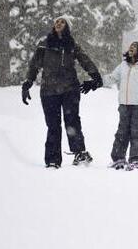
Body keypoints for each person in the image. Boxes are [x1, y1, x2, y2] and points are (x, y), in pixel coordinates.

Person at [21, 15, 101, 168]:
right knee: (53, 125)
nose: (58, 23)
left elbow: (85, 59)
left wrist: (95, 76)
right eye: (57, 21)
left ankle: (79, 153)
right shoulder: (44, 44)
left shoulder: (71, 45)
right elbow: (34, 65)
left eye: (62, 22)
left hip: (70, 88)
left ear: (67, 26)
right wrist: (28, 83)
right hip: (48, 91)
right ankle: (52, 160)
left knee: (72, 121)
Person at [84, 40, 138, 170]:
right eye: (131, 45)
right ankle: (118, 158)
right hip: (123, 106)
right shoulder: (123, 65)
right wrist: (96, 83)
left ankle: (136, 160)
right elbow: (112, 78)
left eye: (135, 47)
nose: (131, 47)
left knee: (136, 133)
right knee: (122, 133)